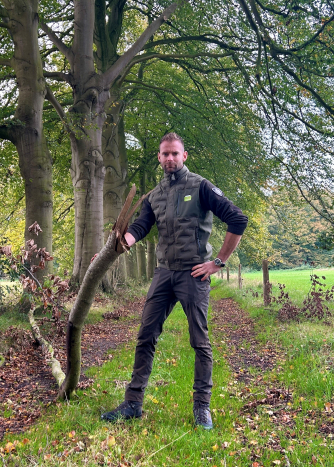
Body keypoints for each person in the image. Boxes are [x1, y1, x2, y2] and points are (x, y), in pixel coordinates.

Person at [101, 132, 248, 429]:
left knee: (199, 340)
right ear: (159, 157)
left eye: (175, 154)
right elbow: (140, 226)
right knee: (145, 335)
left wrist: (218, 262)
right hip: (164, 272)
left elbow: (238, 220)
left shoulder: (200, 186)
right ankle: (132, 403)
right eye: (165, 154)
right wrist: (120, 242)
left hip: (193, 274)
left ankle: (202, 408)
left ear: (184, 156)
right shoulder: (155, 194)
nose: (170, 158)